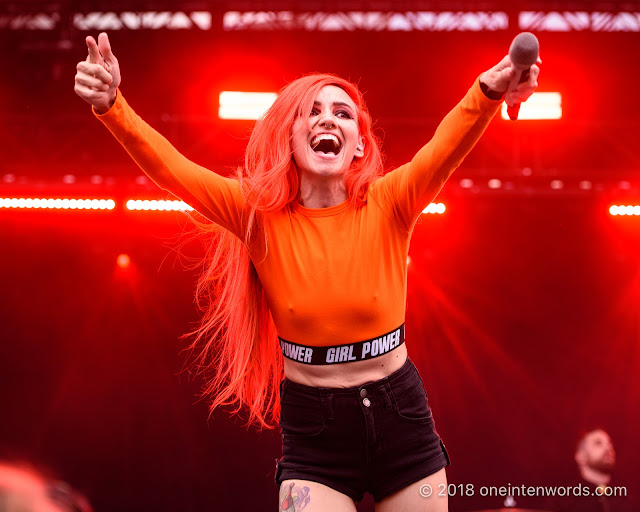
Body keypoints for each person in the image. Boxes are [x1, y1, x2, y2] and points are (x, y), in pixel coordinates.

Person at [74, 32, 539, 511]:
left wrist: (489, 87)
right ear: (290, 140)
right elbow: (173, 170)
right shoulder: (257, 217)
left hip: (401, 420)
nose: (328, 119)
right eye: (312, 111)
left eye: (342, 113)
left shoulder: (390, 203)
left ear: (358, 145)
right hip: (316, 435)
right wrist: (113, 106)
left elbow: (446, 145)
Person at [553, 428, 633, 512]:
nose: (609, 447)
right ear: (581, 456)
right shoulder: (563, 501)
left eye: (610, 443)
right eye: (598, 443)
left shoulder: (626, 500)